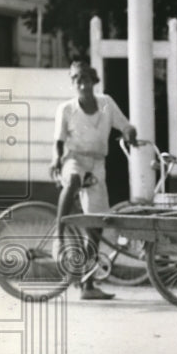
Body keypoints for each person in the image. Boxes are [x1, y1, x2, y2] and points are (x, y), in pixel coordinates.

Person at [51, 60, 137, 300]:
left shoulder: (106, 103)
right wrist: (56, 160)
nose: (81, 83)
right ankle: (58, 237)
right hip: (74, 158)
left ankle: (87, 286)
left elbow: (125, 125)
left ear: (93, 82)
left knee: (95, 226)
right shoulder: (66, 109)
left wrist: (130, 134)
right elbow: (58, 141)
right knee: (74, 179)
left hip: (98, 163)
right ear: (73, 83)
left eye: (85, 79)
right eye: (76, 79)